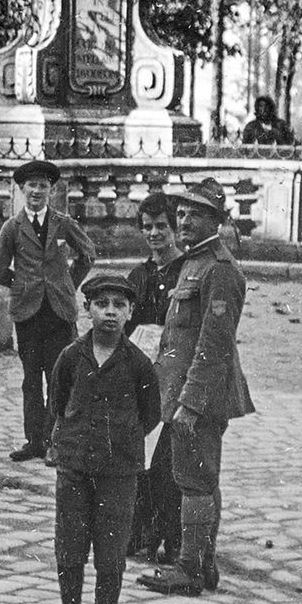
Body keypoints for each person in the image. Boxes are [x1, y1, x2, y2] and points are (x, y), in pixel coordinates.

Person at [138, 178, 255, 597]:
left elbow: (214, 346)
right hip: (187, 393)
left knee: (196, 481)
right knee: (198, 477)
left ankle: (189, 568)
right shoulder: (194, 262)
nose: (184, 221)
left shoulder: (220, 270)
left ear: (217, 221)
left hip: (201, 397)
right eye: (182, 213)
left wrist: (189, 404)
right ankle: (202, 565)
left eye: (195, 215)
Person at [43, 272, 160, 604]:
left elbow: (150, 415)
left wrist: (118, 445)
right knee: (69, 552)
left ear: (129, 313)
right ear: (87, 309)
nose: (110, 312)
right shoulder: (71, 358)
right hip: (74, 470)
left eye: (119, 305)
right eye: (101, 304)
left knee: (110, 560)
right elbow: (58, 401)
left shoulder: (140, 365)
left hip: (118, 476)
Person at [0, 158, 96, 462]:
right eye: (32, 185)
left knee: (59, 377)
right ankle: (34, 441)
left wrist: (66, 284)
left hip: (59, 311)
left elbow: (88, 255)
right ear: (22, 190)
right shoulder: (13, 227)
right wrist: (22, 284)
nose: (37, 191)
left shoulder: (63, 223)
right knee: (31, 379)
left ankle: (55, 443)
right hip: (28, 313)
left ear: (51, 190)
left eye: (43, 186)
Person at [124, 194, 182, 567]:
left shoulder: (187, 272)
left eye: (162, 226)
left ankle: (173, 533)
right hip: (142, 373)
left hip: (174, 373)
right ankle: (141, 531)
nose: (155, 234)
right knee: (140, 455)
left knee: (169, 460)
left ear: (175, 228)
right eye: (147, 227)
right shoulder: (139, 276)